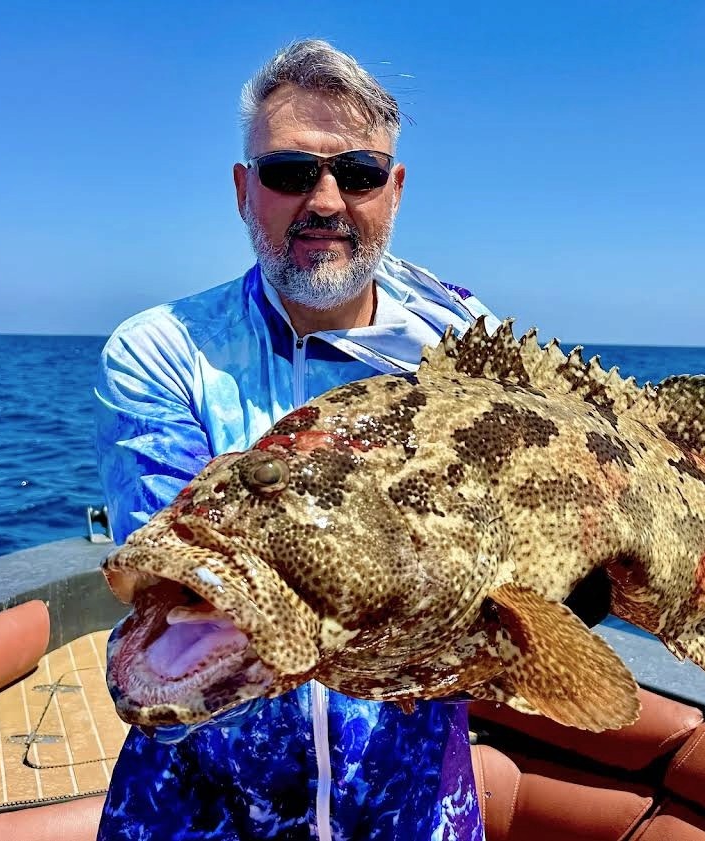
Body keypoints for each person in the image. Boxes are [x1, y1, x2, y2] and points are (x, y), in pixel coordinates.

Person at [94, 39, 499, 841]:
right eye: (288, 173)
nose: (324, 200)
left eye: (357, 173)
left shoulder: (463, 341)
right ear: (245, 191)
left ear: (395, 188)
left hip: (415, 810)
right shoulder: (164, 349)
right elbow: (185, 578)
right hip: (196, 810)